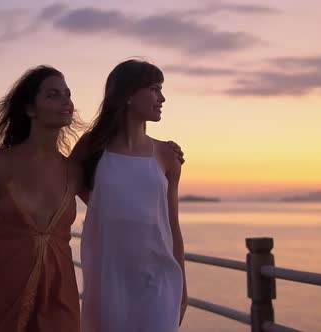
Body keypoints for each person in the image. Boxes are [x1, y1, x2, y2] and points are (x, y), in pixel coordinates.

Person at [0, 65, 82, 332]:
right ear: (30, 109)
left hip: (60, 296)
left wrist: (164, 156)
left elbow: (119, 201)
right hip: (5, 291)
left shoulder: (75, 170)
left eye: (67, 94)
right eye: (53, 95)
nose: (66, 101)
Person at [71, 59, 187, 332]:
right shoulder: (91, 147)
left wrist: (182, 285)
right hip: (109, 278)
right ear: (128, 95)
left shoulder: (167, 155)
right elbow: (60, 182)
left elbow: (172, 225)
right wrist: (2, 157)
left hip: (159, 278)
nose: (162, 98)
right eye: (154, 89)